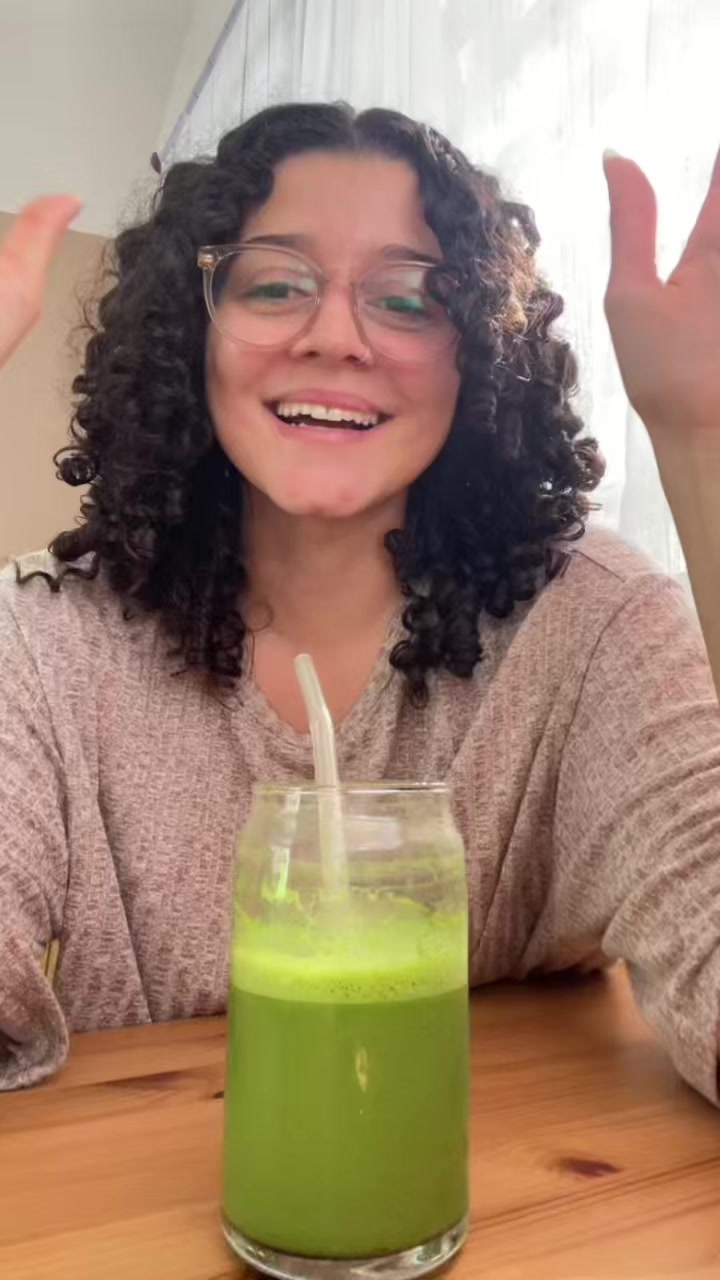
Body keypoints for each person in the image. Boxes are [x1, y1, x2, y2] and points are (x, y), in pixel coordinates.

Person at [1, 103, 719, 1099]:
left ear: (480, 354)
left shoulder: (596, 625)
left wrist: (701, 444)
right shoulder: (42, 643)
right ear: (190, 335)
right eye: (275, 284)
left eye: (412, 298)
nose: (336, 336)